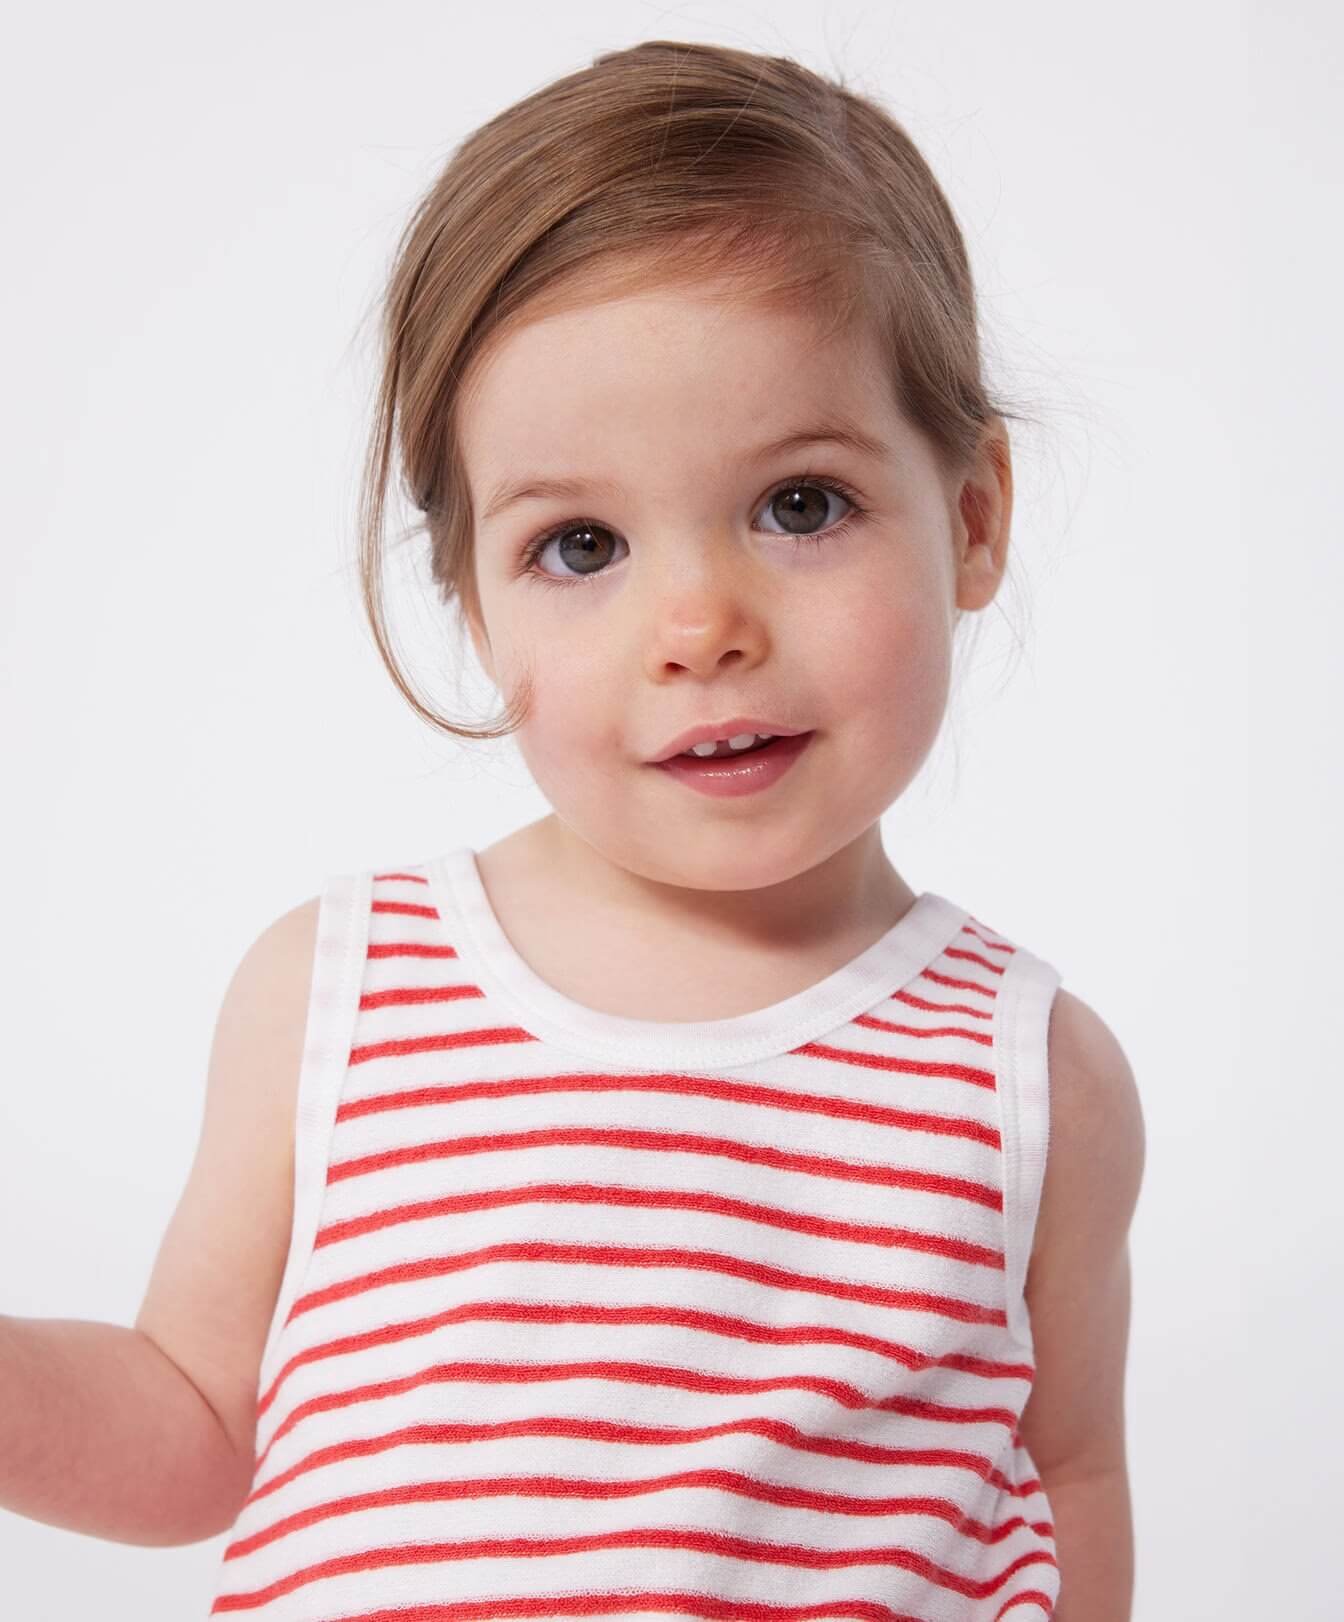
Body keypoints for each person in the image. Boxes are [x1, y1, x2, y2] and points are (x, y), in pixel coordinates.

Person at [0, 38, 1146, 1622]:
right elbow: (194, 1423)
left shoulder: (1029, 1079)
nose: (697, 625)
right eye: (582, 544)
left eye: (799, 505)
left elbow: (1065, 1478)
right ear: (473, 601)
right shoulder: (341, 993)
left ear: (970, 517)